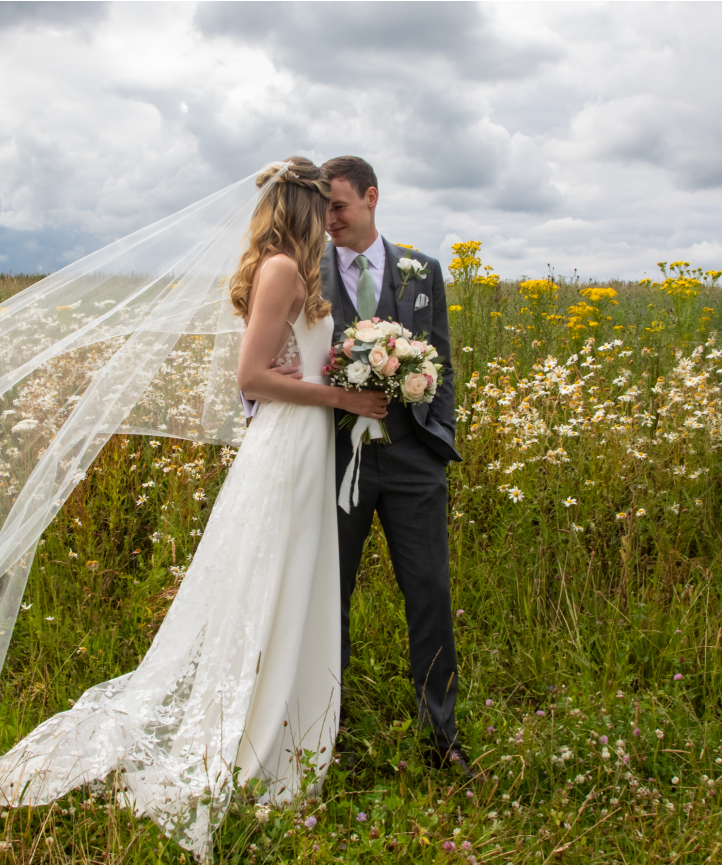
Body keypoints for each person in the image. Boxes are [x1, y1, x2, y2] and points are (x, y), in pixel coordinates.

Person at [0, 158, 357, 859]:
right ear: (303, 209)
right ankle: (252, 730)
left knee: (289, 579)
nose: (332, 223)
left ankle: (283, 718)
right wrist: (343, 397)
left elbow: (281, 366)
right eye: (323, 209)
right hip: (287, 448)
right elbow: (252, 376)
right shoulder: (281, 273)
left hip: (302, 448)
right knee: (269, 582)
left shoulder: (295, 274)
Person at [246, 155, 469, 773]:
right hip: (331, 457)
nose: (329, 219)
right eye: (323, 209)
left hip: (415, 461)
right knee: (327, 597)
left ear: (372, 198)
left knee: (429, 593)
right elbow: (264, 355)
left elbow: (442, 361)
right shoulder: (300, 268)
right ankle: (325, 735)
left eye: (339, 207)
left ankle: (440, 738)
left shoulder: (423, 271)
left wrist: (438, 433)